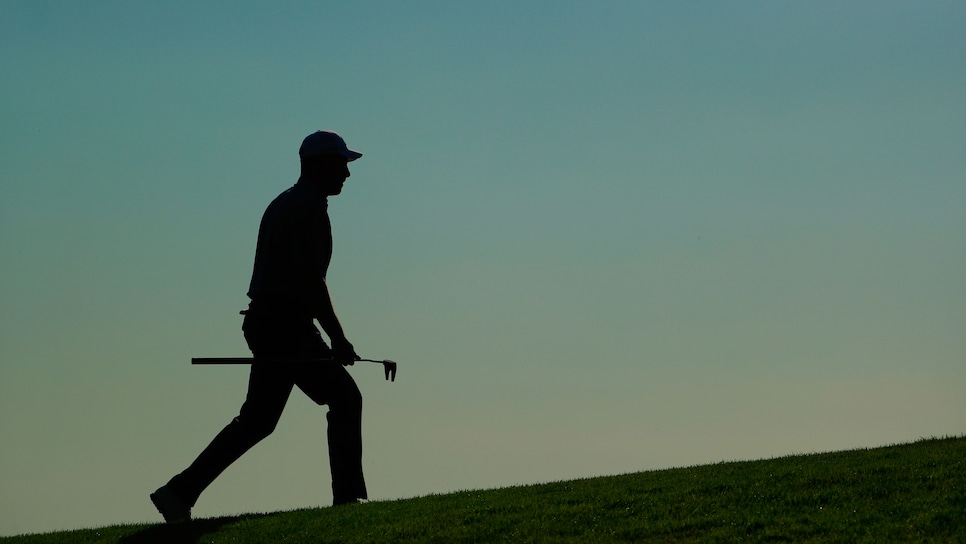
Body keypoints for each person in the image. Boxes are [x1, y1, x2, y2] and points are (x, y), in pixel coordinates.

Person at [151, 130, 368, 523]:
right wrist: (339, 339)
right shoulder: (308, 208)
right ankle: (349, 502)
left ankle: (179, 491)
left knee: (257, 421)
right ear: (319, 164)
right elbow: (311, 281)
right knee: (345, 398)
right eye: (341, 165)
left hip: (270, 323)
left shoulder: (288, 202)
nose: (346, 175)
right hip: (286, 326)